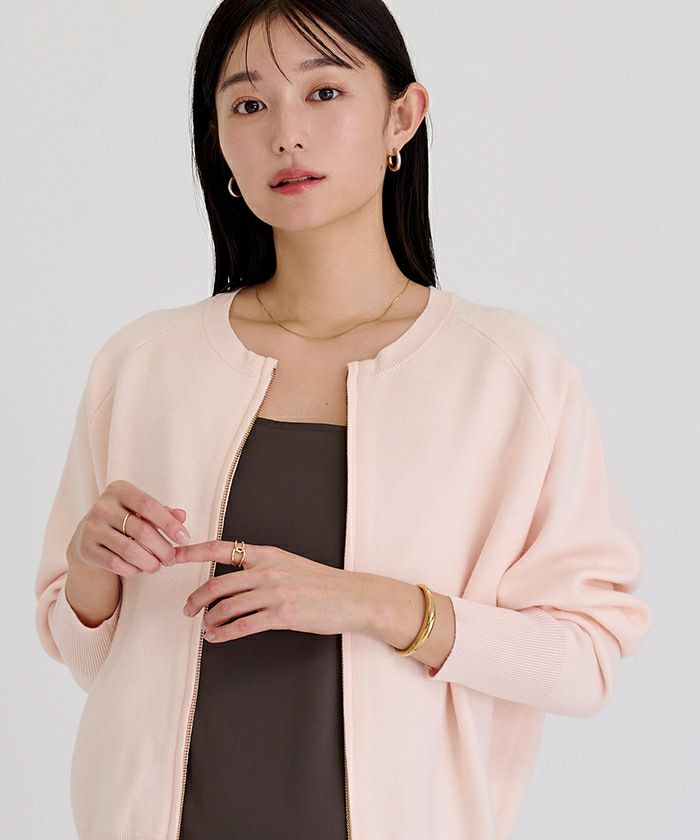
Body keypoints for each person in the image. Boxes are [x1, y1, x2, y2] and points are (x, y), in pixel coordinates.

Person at [34, 2, 652, 839]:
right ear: (218, 140)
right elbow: (84, 653)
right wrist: (91, 566)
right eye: (249, 104)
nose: (286, 134)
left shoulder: (507, 373)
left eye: (324, 93)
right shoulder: (143, 363)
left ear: (402, 116)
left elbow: (585, 658)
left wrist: (372, 603)